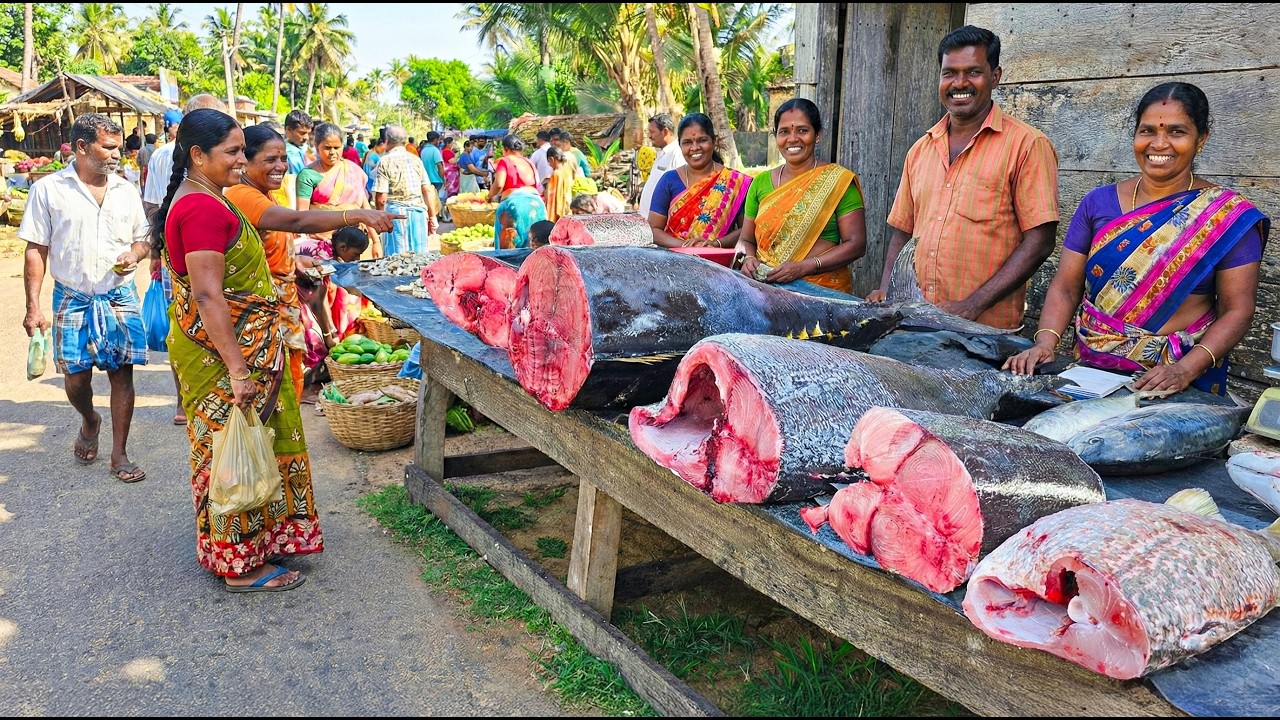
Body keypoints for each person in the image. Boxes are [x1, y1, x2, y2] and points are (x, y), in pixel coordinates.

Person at [149, 107, 322, 592]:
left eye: (242, 151)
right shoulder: (201, 207)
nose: (241, 162)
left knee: (245, 445)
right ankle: (241, 567)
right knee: (231, 451)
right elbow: (207, 295)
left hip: (229, 347)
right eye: (232, 152)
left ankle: (258, 545)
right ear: (197, 155)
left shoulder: (206, 196)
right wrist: (239, 370)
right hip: (221, 355)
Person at [1005, 82, 1270, 395]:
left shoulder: (1225, 217)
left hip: (1175, 383)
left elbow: (1238, 310)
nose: (1159, 144)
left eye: (1176, 132)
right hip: (1090, 376)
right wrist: (1045, 342)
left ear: (1201, 140)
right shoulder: (1097, 204)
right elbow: (1066, 285)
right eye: (1147, 131)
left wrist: (1184, 370)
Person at [866, 26, 1060, 329]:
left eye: (973, 72)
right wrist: (888, 291)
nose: (959, 83)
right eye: (949, 73)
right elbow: (903, 232)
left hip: (984, 331)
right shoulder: (921, 149)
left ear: (995, 76)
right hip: (916, 321)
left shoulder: (1027, 145)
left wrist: (973, 304)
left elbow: (1040, 241)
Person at [224, 124, 399, 403]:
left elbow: (268, 243)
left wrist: (295, 258)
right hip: (260, 309)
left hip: (279, 300)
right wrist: (357, 215)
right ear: (246, 160)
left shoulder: (262, 192)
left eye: (282, 158)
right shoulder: (242, 195)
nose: (280, 166)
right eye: (270, 160)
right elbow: (297, 221)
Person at [21, 113, 151, 483]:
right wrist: (33, 306)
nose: (118, 155)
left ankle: (120, 454)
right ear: (81, 147)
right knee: (76, 379)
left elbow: (143, 238)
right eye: (108, 148)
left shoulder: (126, 190)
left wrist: (136, 254)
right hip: (71, 297)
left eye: (118, 147)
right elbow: (36, 249)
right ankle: (90, 419)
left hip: (118, 295)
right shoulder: (48, 190)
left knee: (121, 374)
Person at [144, 95, 230, 424]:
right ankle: (191, 398)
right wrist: (156, 253)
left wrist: (156, 252)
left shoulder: (167, 154)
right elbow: (155, 208)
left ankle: (189, 400)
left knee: (186, 321)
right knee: (192, 318)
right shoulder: (166, 156)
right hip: (185, 252)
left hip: (182, 252)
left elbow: (153, 209)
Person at [733, 98, 868, 293]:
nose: (793, 139)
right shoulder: (760, 183)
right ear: (776, 136)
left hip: (821, 293)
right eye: (784, 132)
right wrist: (749, 258)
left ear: (817, 135)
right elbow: (746, 240)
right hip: (766, 291)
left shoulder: (838, 181)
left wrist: (805, 267)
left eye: (802, 130)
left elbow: (856, 244)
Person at [647, 113, 750, 249]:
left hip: (719, 264)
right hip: (676, 262)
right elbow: (653, 230)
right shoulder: (669, 180)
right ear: (680, 145)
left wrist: (716, 244)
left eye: (702, 140)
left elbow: (747, 230)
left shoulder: (736, 182)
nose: (695, 147)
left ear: (714, 141)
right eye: (687, 142)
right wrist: (688, 247)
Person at [297, 122, 382, 257]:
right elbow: (301, 215)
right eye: (327, 148)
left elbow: (365, 209)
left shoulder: (353, 170)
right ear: (316, 146)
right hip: (321, 243)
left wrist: (376, 241)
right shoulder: (307, 175)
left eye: (337, 147)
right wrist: (314, 234)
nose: (332, 153)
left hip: (352, 244)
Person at [373, 124, 436, 254]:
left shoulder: (385, 161)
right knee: (419, 257)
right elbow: (427, 190)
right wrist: (432, 216)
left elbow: (381, 199)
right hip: (418, 213)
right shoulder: (416, 160)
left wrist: (379, 218)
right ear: (404, 141)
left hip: (395, 215)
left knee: (396, 259)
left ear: (387, 141)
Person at [637, 113, 685, 217]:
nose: (649, 136)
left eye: (652, 132)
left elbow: (680, 193)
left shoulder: (677, 154)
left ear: (665, 132)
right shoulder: (661, 153)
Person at [486, 134, 539, 203]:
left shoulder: (505, 161)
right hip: (535, 201)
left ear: (505, 148)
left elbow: (499, 184)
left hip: (515, 203)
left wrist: (489, 197)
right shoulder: (528, 162)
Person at [544, 146, 577, 222]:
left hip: (559, 209)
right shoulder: (567, 171)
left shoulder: (556, 174)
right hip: (567, 207)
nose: (549, 165)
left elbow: (553, 197)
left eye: (549, 162)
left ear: (552, 159)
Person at [419, 130, 447, 218]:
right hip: (436, 179)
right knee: (436, 202)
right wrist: (443, 179)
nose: (439, 142)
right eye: (438, 140)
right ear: (435, 140)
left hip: (426, 180)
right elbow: (440, 166)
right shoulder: (435, 150)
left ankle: (430, 218)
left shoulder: (423, 150)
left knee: (429, 201)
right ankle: (436, 219)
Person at [283, 109, 314, 175]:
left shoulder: (307, 149)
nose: (307, 138)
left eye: (308, 133)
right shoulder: (283, 154)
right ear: (288, 129)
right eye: (302, 133)